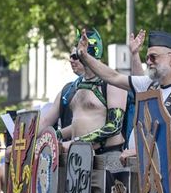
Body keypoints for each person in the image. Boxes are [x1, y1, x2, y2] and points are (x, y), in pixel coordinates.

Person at [76, 29, 171, 159]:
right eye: (147, 58)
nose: (148, 62)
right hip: (141, 166)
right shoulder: (151, 83)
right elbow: (114, 77)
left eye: (153, 57)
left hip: (169, 170)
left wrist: (139, 150)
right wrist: (85, 56)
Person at [38, 28, 128, 162]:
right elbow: (76, 123)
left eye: (77, 54)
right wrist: (47, 138)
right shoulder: (75, 86)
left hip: (106, 158)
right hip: (78, 160)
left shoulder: (112, 82)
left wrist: (75, 143)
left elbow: (114, 126)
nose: (72, 59)